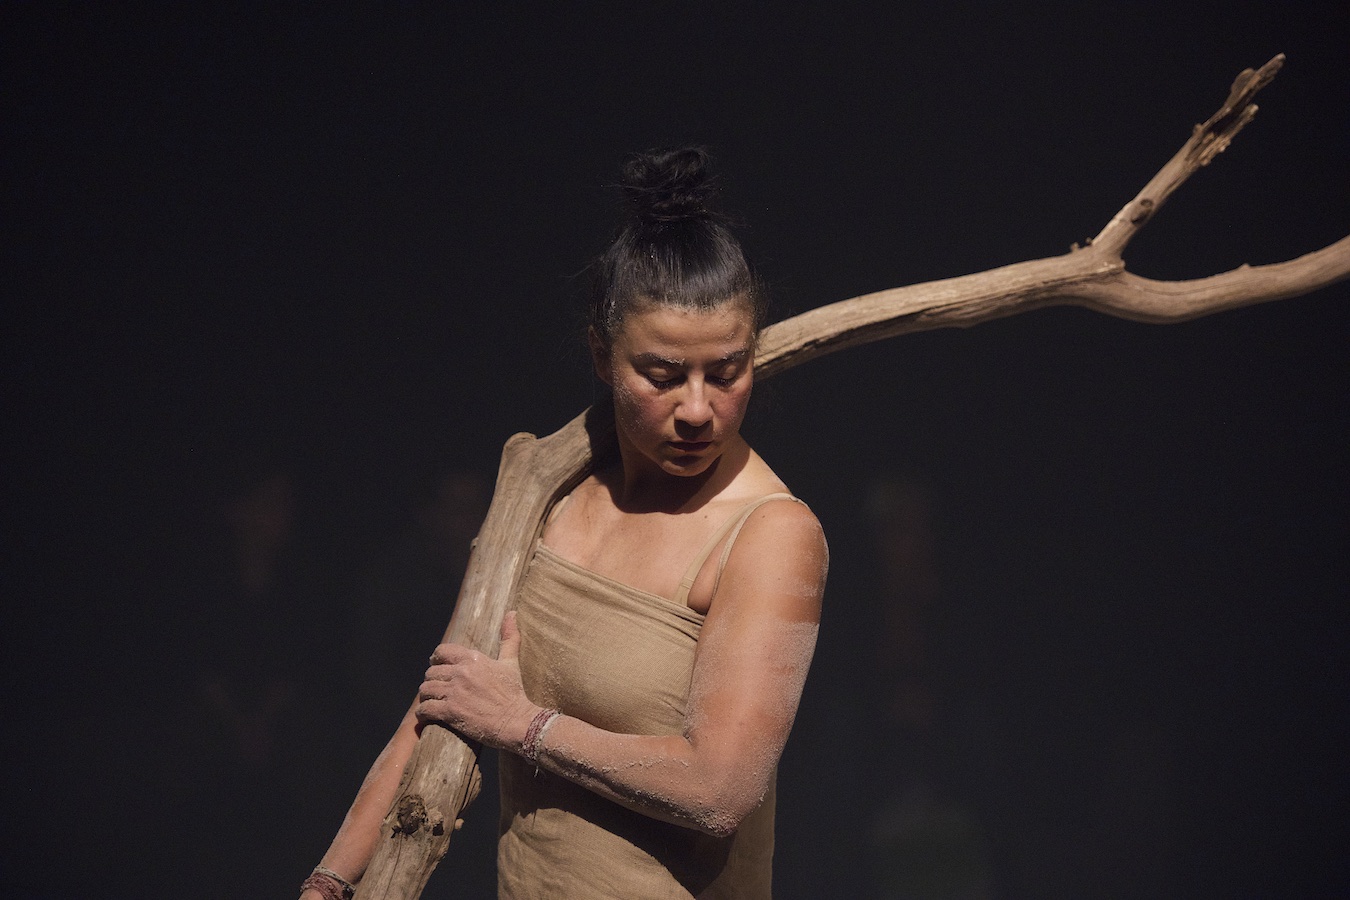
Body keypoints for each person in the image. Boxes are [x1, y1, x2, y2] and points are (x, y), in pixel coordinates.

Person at [301, 147, 829, 899]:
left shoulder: (769, 532)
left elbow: (719, 790)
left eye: (727, 372)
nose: (697, 409)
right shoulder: (543, 492)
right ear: (601, 356)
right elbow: (444, 702)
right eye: (662, 375)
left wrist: (523, 726)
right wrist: (328, 883)